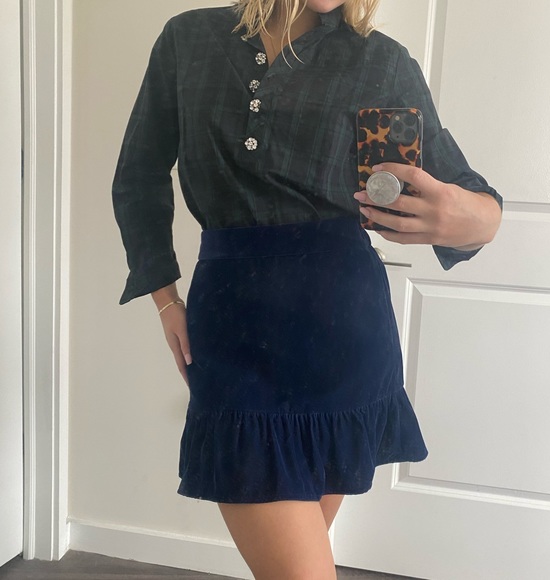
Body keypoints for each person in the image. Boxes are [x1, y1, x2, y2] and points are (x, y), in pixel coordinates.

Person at [112, 0, 502, 578]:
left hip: (347, 342)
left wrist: (478, 219)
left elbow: (469, 194)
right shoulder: (187, 39)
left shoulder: (379, 61)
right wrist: (164, 297)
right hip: (234, 335)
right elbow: (138, 174)